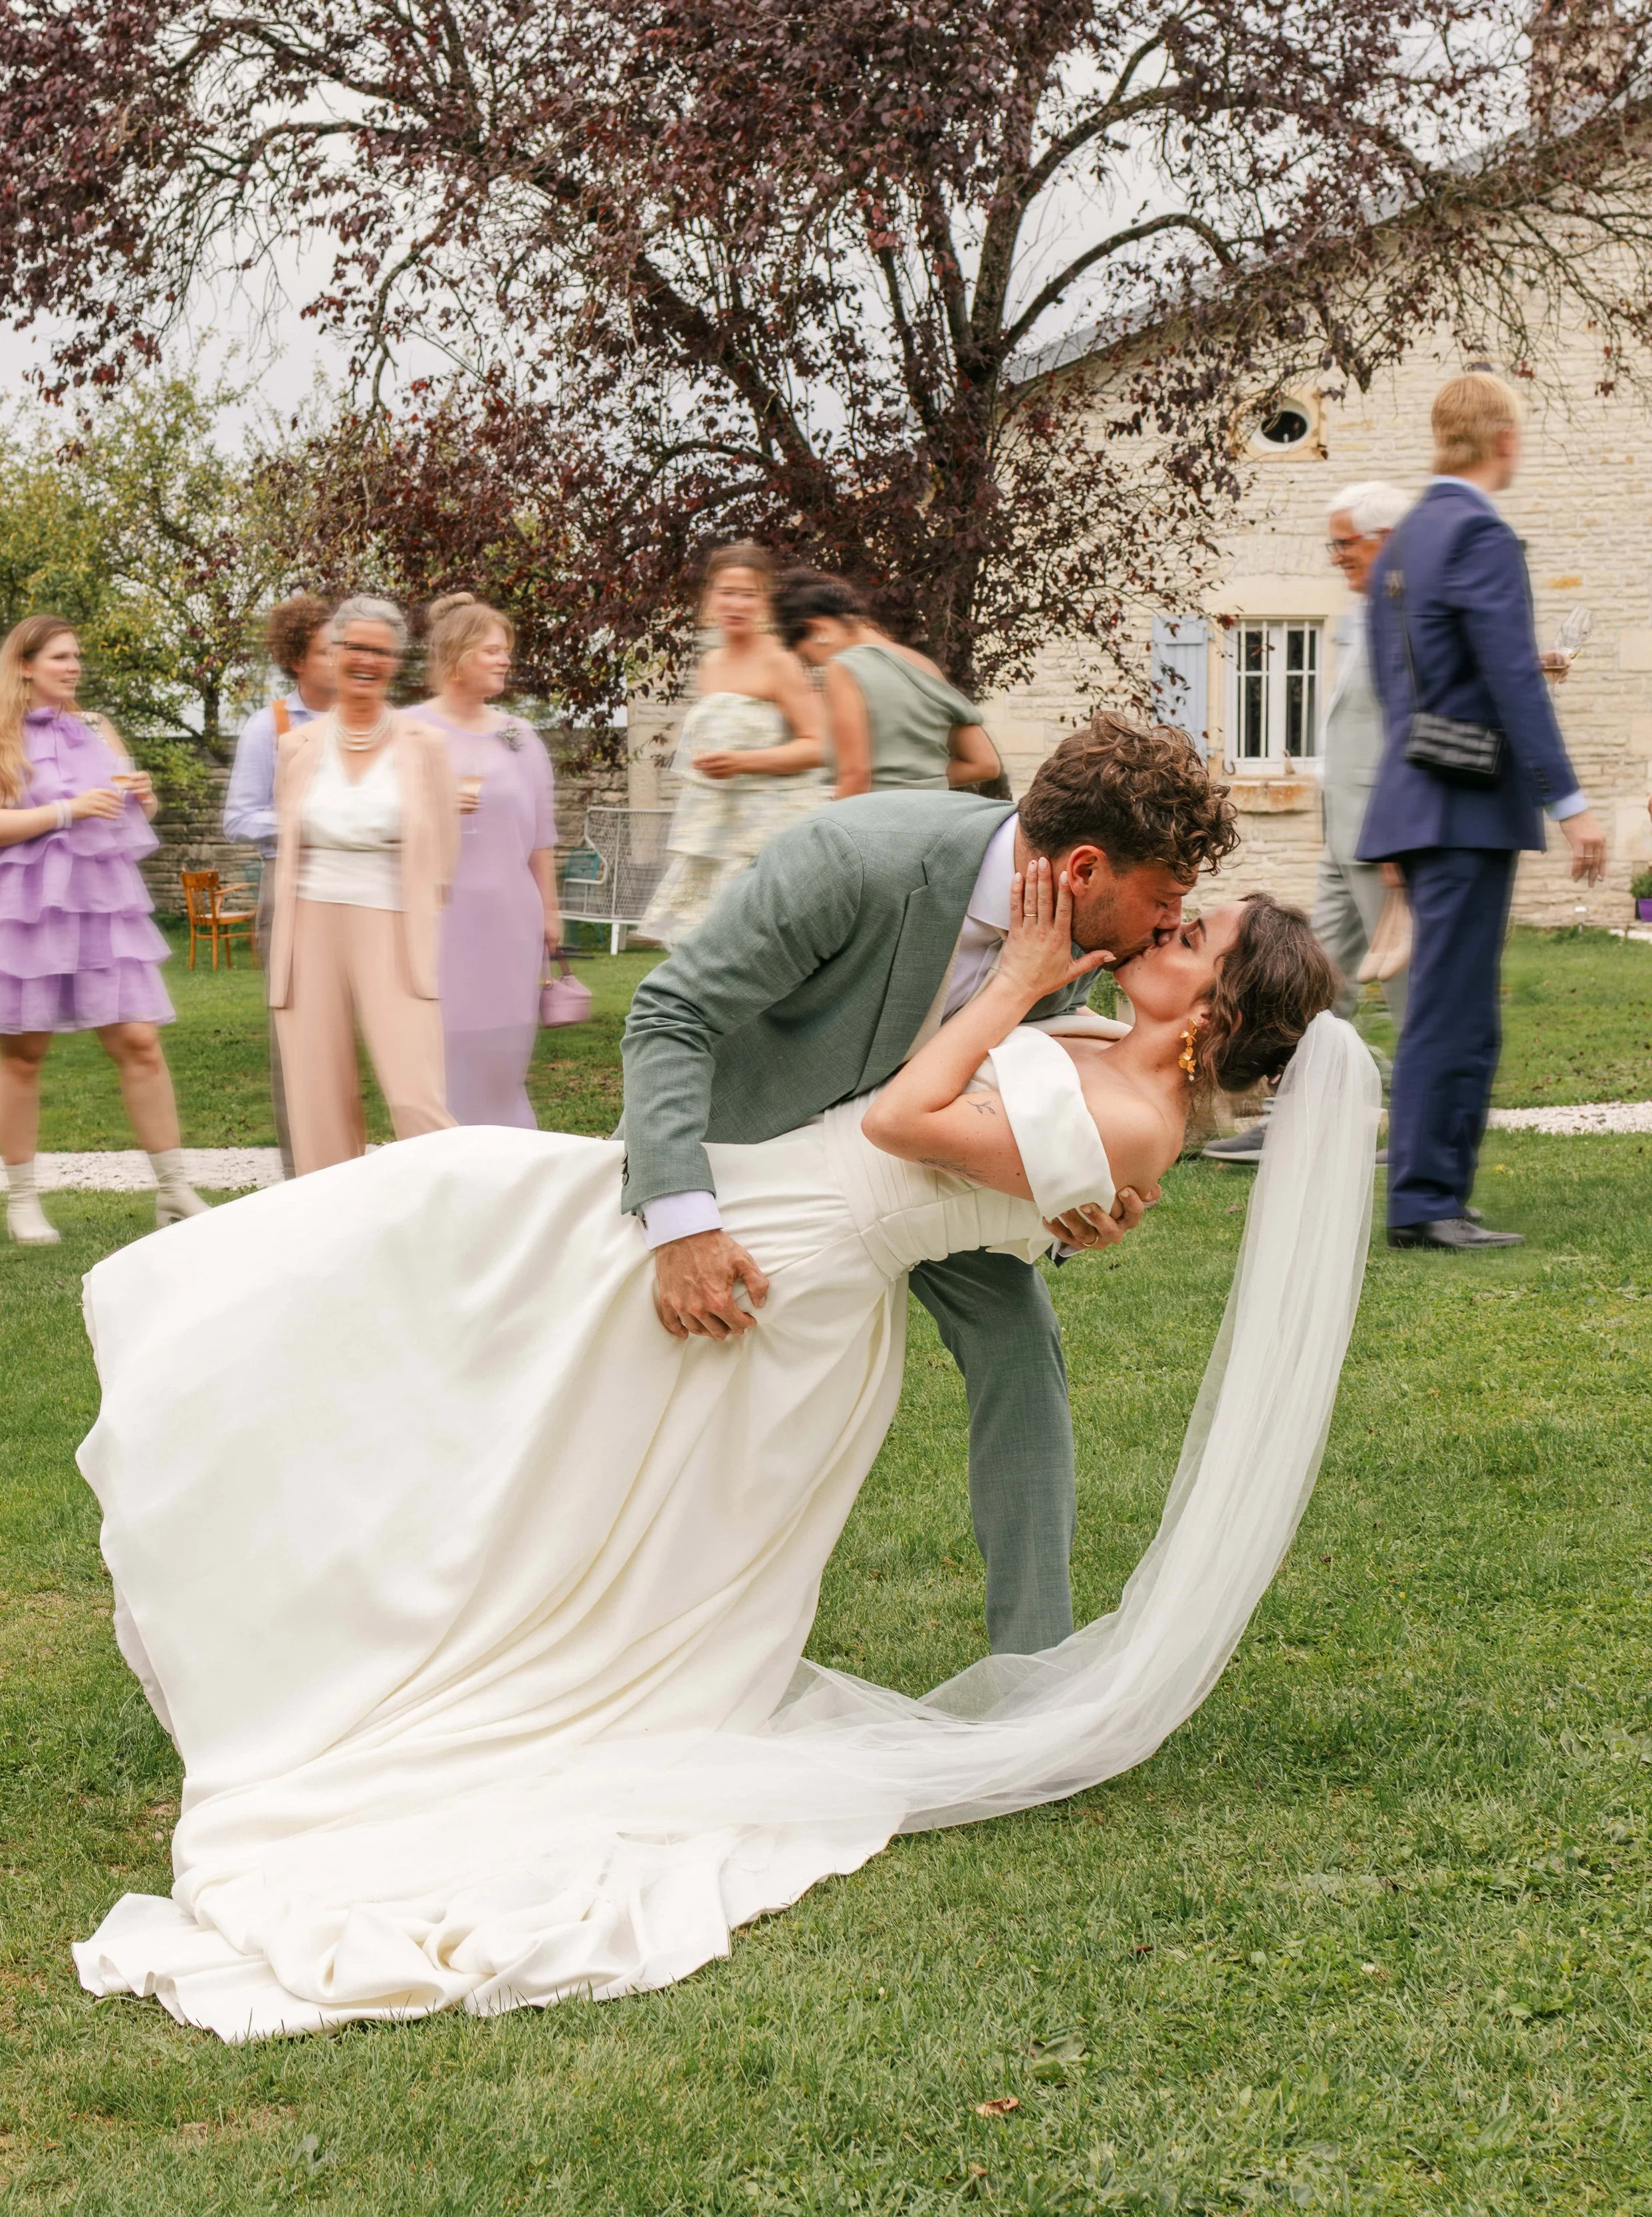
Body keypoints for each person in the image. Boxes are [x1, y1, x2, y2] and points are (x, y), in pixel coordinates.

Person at [72, 860, 1371, 2039]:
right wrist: (1039, 1016)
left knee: (563, 1465)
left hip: (794, 1272)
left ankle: (428, 1645)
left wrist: (1022, 984)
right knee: (460, 1221)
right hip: (764, 1199)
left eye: (1197, 933)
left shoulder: (1138, 1120)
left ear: (1216, 999)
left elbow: (906, 1122)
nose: (1170, 922)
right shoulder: (1121, 1062)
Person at [622, 716, 1235, 1655]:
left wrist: (1075, 1212)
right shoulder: (853, 859)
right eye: (1168, 896)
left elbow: (1025, 1098)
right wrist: (679, 1222)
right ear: (1081, 870)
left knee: (1022, 1347)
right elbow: (669, 1015)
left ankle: (1034, 1669)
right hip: (742, 1157)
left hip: (907, 1169)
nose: (1167, 924)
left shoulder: (1080, 941)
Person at [1360, 370, 1607, 1251]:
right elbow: (1507, 682)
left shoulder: (1404, 541)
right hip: (1465, 807)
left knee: (1443, 1003)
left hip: (1418, 791)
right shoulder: (1482, 534)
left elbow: (1413, 678)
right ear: (1505, 441)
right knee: (1456, 1010)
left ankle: (1430, 1192)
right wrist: (1571, 803)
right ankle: (1428, 1202)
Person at [1204, 481, 1411, 1168]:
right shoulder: (1360, 618)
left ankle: (1418, 1136)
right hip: (1339, 834)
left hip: (1388, 837)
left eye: (1343, 543)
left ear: (1386, 540)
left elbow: (1416, 732)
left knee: (1409, 990)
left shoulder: (1416, 613)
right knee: (1315, 985)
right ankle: (1285, 1119)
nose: (1333, 557)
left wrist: (1400, 839)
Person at [0, 616, 208, 1243]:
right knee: (24, 1053)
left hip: (100, 904)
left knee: (139, 1041)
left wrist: (143, 792)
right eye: (60, 657)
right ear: (25, 665)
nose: (74, 666)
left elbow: (136, 807)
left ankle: (173, 1190)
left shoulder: (96, 727)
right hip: (26, 908)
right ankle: (23, 1199)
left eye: (77, 655)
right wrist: (66, 810)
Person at [269, 595, 459, 1175]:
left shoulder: (427, 747)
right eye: (355, 647)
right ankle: (330, 1237)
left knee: (414, 1095)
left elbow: (443, 857)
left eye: (381, 651)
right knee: (318, 1104)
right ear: (333, 652)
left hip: (393, 926)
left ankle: (454, 1213)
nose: (366, 661)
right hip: (308, 927)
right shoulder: (295, 746)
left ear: (395, 660)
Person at [412, 594, 560, 1128]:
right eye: (493, 651)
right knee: (444, 1047)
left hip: (511, 919)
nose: (505, 661)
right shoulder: (409, 733)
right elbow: (379, 817)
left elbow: (542, 832)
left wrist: (550, 910)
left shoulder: (519, 736)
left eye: (507, 651)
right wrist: (432, 803)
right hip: (439, 919)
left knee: (504, 1052)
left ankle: (510, 1152)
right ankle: (446, 1149)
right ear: (456, 655)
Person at [640, 543, 828, 948]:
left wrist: (744, 761)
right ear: (710, 596)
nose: (737, 603)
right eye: (728, 591)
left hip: (770, 833)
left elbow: (819, 746)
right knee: (704, 952)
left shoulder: (781, 662)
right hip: (714, 830)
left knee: (764, 949)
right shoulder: (710, 664)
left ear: (765, 600)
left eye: (750, 593)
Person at [222, 594, 336, 1176]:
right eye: (326, 650)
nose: (341, 658)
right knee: (297, 1040)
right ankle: (304, 1180)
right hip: (290, 889)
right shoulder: (268, 727)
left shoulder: (376, 723)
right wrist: (305, 826)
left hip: (369, 891)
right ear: (297, 658)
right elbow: (238, 818)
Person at [774, 571, 1004, 797]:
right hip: (936, 820)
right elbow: (985, 764)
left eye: (809, 660)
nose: (816, 668)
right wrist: (917, 779)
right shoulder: (924, 666)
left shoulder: (844, 668)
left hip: (878, 823)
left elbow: (855, 778)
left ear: (819, 630)